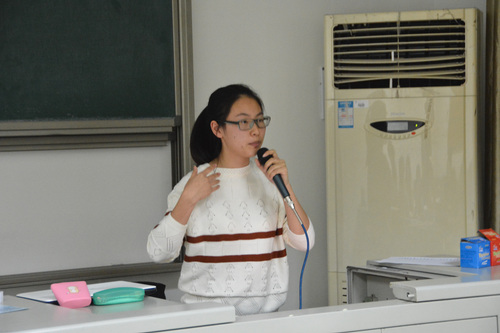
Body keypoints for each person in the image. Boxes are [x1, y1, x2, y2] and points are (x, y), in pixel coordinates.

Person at [147, 84, 315, 315]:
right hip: (206, 323)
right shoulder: (194, 183)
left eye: (260, 120)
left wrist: (285, 186)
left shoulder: (270, 180)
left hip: (267, 322)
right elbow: (158, 252)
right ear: (217, 129)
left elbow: (305, 242)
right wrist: (187, 200)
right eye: (244, 122)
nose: (256, 131)